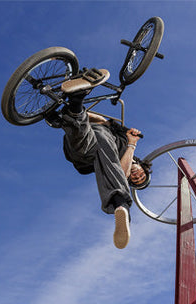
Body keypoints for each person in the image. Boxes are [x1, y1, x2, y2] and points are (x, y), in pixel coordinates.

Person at [46, 68, 150, 249]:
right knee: (103, 137)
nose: (136, 176)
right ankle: (120, 204)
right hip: (98, 134)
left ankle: (75, 104)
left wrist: (132, 146)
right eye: (141, 175)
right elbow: (102, 121)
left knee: (99, 155)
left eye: (136, 181)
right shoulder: (123, 140)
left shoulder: (124, 161)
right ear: (142, 166)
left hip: (83, 153)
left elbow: (122, 172)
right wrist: (79, 114)